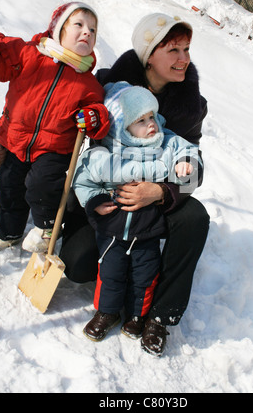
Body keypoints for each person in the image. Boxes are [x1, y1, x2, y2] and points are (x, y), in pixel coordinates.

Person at [60, 12, 210, 356]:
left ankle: (161, 315)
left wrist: (162, 192)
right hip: (110, 190)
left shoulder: (187, 108)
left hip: (156, 196)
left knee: (195, 217)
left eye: (187, 49)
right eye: (173, 50)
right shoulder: (110, 85)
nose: (184, 59)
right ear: (149, 54)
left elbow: (193, 165)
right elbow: (61, 120)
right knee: (77, 263)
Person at [72, 81, 201, 349]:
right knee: (111, 272)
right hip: (113, 229)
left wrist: (186, 164)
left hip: (148, 229)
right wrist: (94, 201)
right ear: (122, 126)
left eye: (151, 116)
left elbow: (188, 153)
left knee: (145, 274)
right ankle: (106, 311)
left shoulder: (165, 144)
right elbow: (82, 181)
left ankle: (137, 315)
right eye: (140, 120)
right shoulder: (105, 154)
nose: (151, 124)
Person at [0, 2, 110, 254]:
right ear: (58, 29)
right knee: (7, 186)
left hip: (54, 150)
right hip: (15, 138)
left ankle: (46, 228)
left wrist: (92, 117)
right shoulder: (28, 53)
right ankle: (8, 231)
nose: (87, 32)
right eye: (78, 24)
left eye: (92, 29)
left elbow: (98, 112)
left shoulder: (87, 81)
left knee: (42, 186)